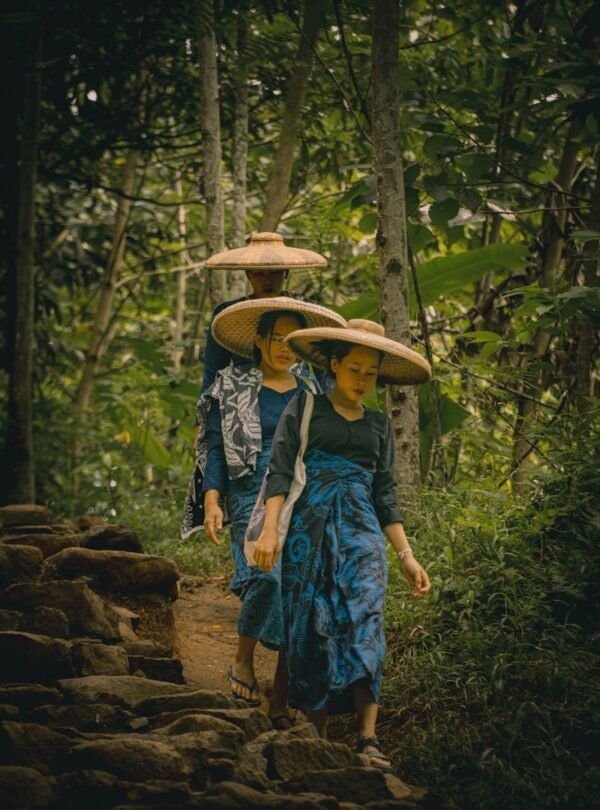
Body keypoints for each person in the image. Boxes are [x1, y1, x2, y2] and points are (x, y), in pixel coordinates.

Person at [253, 318, 432, 768]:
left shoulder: (378, 425)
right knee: (314, 621)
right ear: (334, 365)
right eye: (354, 370)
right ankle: (316, 736)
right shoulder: (306, 408)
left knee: (366, 618)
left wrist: (407, 556)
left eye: (371, 373)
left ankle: (368, 737)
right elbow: (278, 471)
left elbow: (385, 496)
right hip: (308, 534)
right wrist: (271, 529)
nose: (362, 380)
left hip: (362, 535)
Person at [182, 297, 346, 726]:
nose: (283, 349)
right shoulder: (234, 384)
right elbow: (215, 447)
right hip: (248, 489)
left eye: (290, 342)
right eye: (275, 340)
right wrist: (213, 498)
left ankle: (284, 695)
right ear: (259, 341)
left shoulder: (311, 389)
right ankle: (242, 658)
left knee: (301, 587)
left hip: (299, 494)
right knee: (266, 576)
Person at [199, 232, 327, 394]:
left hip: (298, 391)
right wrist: (203, 415)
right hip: (247, 395)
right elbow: (213, 372)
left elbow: (322, 367)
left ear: (285, 273)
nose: (267, 281)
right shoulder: (230, 314)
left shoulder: (304, 309)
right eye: (259, 274)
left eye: (274, 272)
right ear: (248, 274)